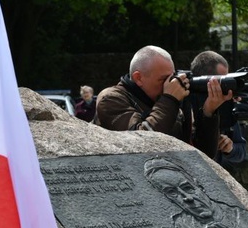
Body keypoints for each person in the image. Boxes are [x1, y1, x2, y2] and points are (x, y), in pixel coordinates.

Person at [95, 45, 230, 159]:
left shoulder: (168, 103)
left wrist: (208, 112)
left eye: (171, 77)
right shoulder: (111, 99)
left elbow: (203, 154)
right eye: (164, 79)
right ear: (138, 78)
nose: (170, 83)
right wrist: (170, 99)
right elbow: (141, 144)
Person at [189, 51, 246, 166]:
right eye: (222, 81)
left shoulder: (225, 106)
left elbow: (241, 152)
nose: (226, 87)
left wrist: (230, 148)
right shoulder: (183, 107)